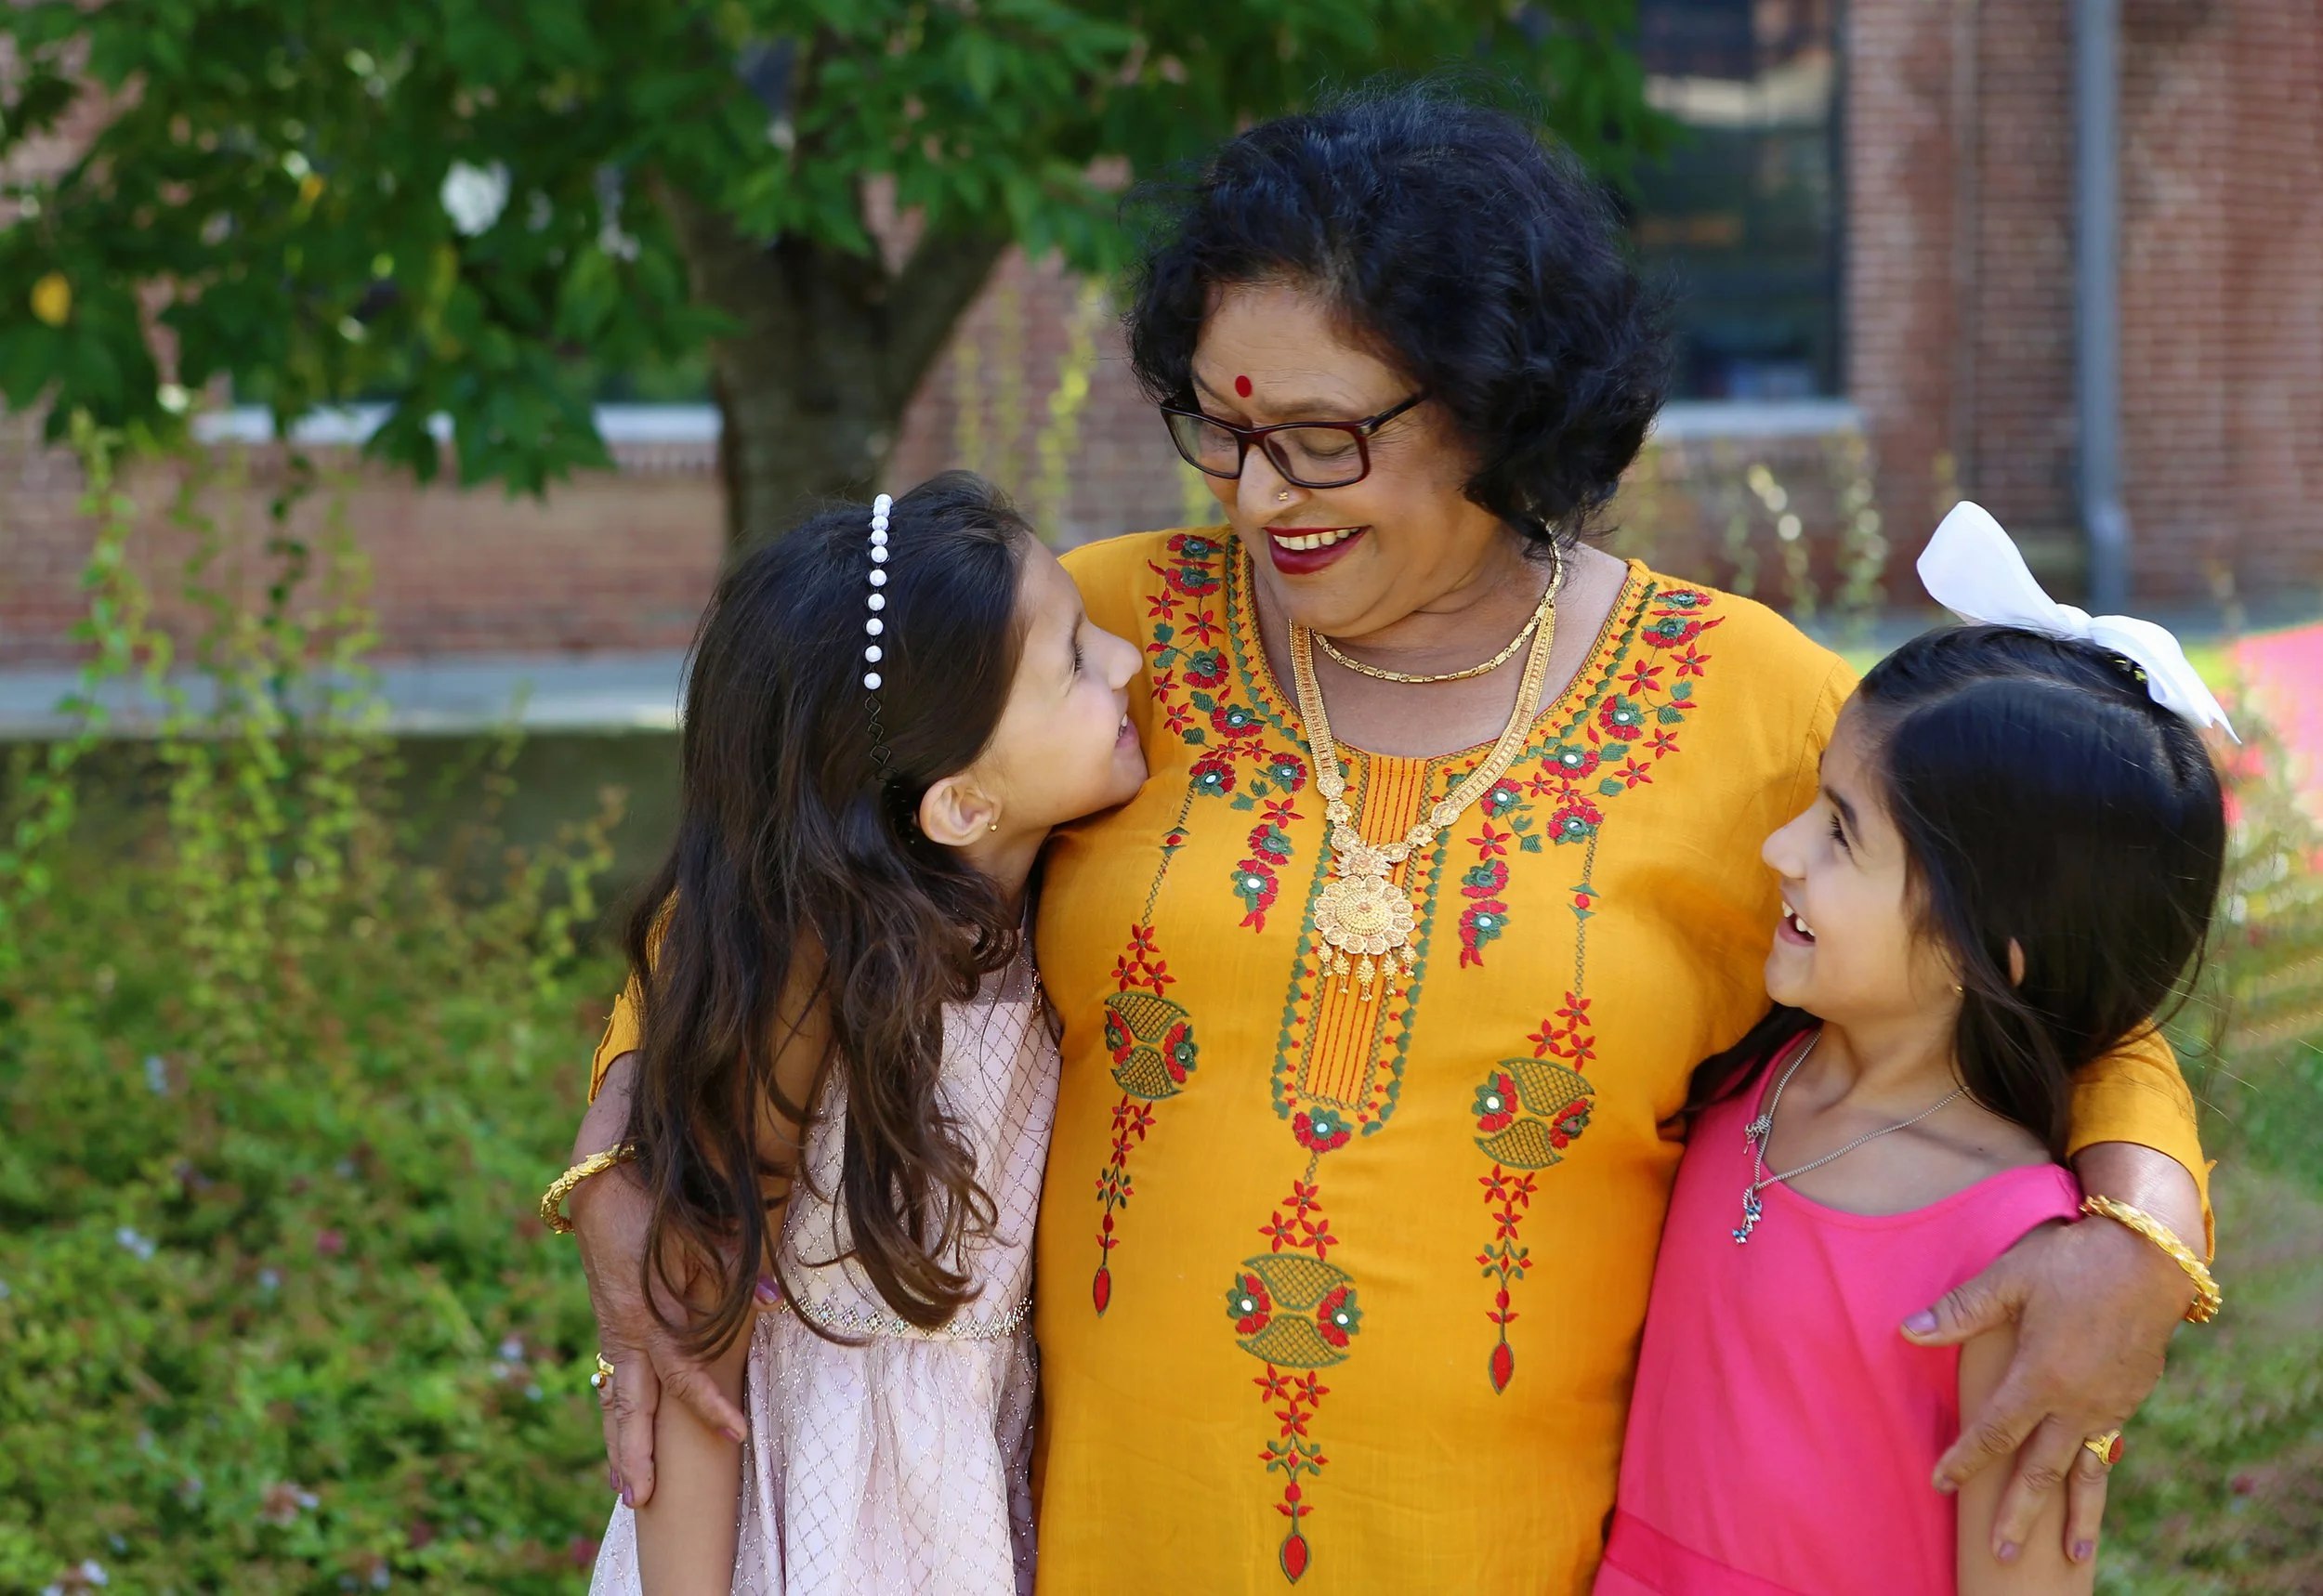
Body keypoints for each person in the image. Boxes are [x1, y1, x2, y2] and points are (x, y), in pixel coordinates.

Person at [573, 90, 2219, 1593]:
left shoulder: (1750, 709)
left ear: (1499, 408)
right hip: (1080, 1542)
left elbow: (2064, 970)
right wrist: (620, 1156)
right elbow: (783, 862)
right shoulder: (1092, 639)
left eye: (1321, 437)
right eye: (1219, 431)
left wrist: (2138, 1233)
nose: (1254, 496)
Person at [1595, 504, 2231, 1596]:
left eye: (1841, 831)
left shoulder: (2018, 1252)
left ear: (1993, 947)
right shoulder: (1752, 1063)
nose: (1777, 848)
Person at [559, 473, 1146, 1595]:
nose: (1126, 661)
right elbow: (698, 1324)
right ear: (961, 803)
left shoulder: (1028, 921)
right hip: (812, 1517)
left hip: (971, 1487)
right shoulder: (816, 971)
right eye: (1073, 656)